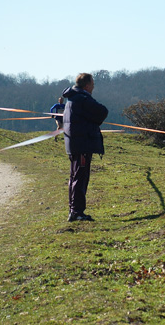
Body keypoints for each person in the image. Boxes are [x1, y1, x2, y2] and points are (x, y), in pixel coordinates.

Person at [62, 73, 109, 222]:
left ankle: (73, 210)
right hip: (82, 144)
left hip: (74, 143)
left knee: (74, 177)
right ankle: (77, 212)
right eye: (92, 83)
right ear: (87, 85)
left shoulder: (72, 98)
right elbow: (102, 111)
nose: (94, 86)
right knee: (80, 178)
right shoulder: (82, 98)